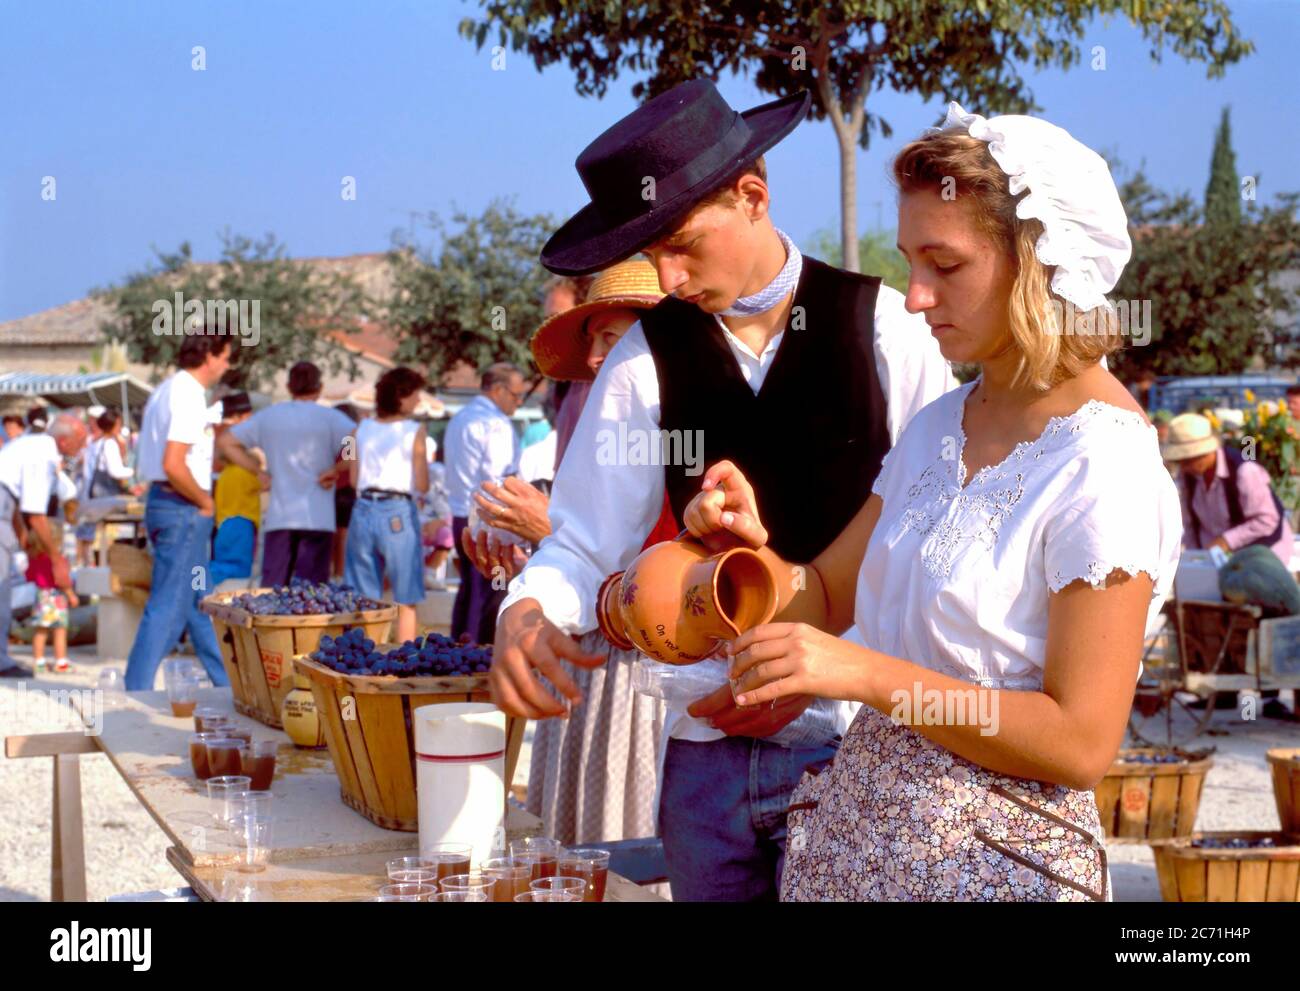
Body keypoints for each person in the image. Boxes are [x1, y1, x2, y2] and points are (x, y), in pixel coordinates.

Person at [682, 103, 1185, 901]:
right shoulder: (936, 427)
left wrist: (867, 675)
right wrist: (748, 555)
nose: (915, 297)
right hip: (858, 851)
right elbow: (828, 594)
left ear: (1037, 262)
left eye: (944, 265)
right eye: (910, 260)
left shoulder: (1105, 462)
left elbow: (1081, 740)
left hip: (992, 867)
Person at [490, 79, 954, 901]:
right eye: (649, 255)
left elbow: (934, 548)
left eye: (681, 244)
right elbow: (582, 537)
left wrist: (828, 670)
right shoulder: (644, 362)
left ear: (753, 195)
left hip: (858, 748)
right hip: (702, 757)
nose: (666, 278)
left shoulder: (887, 329)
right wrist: (526, 610)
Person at [468, 258, 673, 845]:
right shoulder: (588, 413)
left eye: (612, 337)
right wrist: (530, 549)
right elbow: (586, 523)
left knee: (624, 835)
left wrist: (544, 528)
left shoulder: (693, 421)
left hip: (643, 661)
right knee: (579, 831)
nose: (592, 358)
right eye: (594, 340)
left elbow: (664, 552)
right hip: (589, 653)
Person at [1163, 411, 1297, 720]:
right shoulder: (1189, 479)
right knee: (1213, 613)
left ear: (1206, 452)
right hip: (1219, 558)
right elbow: (1192, 526)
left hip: (1264, 553)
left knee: (1260, 616)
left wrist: (1226, 541)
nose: (1183, 465)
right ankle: (1221, 690)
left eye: (1188, 458)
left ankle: (1271, 695)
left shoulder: (1244, 471)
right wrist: (1195, 561)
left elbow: (1267, 521)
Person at [124, 333, 232, 691]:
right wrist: (205, 501)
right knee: (169, 603)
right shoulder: (187, 394)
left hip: (167, 504)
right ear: (209, 357)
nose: (227, 365)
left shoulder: (165, 389)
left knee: (200, 599)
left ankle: (228, 684)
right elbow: (174, 463)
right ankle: (136, 690)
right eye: (225, 357)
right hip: (183, 508)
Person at [217, 362, 356, 587]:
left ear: (289, 386)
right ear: (319, 387)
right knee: (312, 597)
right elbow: (357, 439)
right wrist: (338, 467)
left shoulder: (270, 416)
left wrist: (258, 472)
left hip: (280, 516)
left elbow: (226, 442)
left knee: (273, 595)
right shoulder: (330, 419)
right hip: (318, 516)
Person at [344, 367, 429, 642]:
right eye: (415, 395)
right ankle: (406, 659)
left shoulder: (361, 428)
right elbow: (423, 483)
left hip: (363, 508)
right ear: (401, 397)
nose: (418, 400)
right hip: (397, 511)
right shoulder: (414, 430)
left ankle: (365, 656)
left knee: (363, 596)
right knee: (406, 595)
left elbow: (354, 477)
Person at [0, 414, 89, 677]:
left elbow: (16, 498)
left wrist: (22, 536)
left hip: (6, 508)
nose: (82, 447)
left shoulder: (30, 444)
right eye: (80, 441)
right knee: (1, 587)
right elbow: (35, 514)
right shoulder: (45, 455)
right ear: (64, 440)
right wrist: (55, 559)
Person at [444, 363, 525, 644]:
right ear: (499, 390)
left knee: (469, 590)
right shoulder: (496, 424)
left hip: (459, 513)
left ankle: (457, 652)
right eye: (516, 395)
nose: (519, 402)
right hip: (487, 517)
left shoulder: (460, 418)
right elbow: (502, 480)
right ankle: (480, 663)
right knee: (490, 593)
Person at [209, 393, 262, 587]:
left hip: (222, 518)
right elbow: (265, 484)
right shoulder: (234, 435)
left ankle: (198, 587)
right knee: (235, 568)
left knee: (220, 560)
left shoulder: (227, 472)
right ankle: (201, 584)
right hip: (242, 522)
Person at [75, 409, 136, 565]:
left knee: (88, 538)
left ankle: (86, 567)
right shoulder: (109, 444)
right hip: (105, 499)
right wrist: (134, 472)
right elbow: (115, 471)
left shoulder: (94, 444)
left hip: (90, 497)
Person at [25, 520, 79, 673]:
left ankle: (39, 662)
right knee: (60, 631)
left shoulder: (34, 558)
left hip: (41, 596)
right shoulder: (57, 559)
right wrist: (71, 594)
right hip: (57, 598)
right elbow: (62, 580)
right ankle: (60, 662)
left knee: (40, 631)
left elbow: (29, 576)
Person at [330, 402, 363, 579]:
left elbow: (348, 460)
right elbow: (350, 460)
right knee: (342, 535)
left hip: (336, 488)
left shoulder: (337, 435)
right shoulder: (350, 435)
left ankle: (335, 572)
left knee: (336, 535)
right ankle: (339, 573)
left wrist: (330, 468)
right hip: (345, 488)